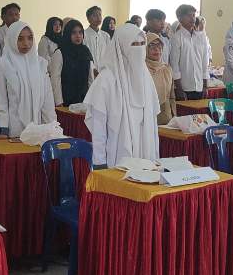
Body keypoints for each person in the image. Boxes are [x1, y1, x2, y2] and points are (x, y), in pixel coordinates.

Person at [84, 24, 161, 167]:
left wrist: (155, 155)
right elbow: (98, 125)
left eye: (142, 44)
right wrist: (99, 161)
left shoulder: (146, 77)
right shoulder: (106, 79)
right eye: (134, 44)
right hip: (118, 153)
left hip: (145, 152)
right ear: (121, 47)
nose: (139, 49)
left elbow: (153, 120)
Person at [0, 21, 56, 138]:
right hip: (13, 132)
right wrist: (2, 131)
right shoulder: (2, 65)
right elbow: (2, 103)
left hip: (37, 130)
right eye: (20, 39)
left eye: (30, 38)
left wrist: (52, 128)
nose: (26, 43)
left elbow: (47, 100)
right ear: (12, 39)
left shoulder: (41, 64)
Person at [50, 19, 95, 106]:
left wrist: (91, 98)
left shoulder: (85, 51)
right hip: (66, 100)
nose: (78, 36)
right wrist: (59, 102)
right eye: (74, 33)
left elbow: (90, 77)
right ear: (67, 34)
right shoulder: (60, 52)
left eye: (80, 32)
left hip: (84, 100)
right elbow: (55, 79)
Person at [169, 4, 209, 100]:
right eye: (188, 15)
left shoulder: (201, 37)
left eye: (194, 15)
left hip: (199, 86)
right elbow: (174, 65)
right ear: (180, 18)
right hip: (184, 88)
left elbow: (204, 62)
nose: (192, 18)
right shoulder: (176, 38)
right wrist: (179, 89)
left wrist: (205, 86)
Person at [145, 32, 176, 124]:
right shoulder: (141, 70)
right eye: (151, 46)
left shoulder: (167, 69)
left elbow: (172, 96)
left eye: (159, 46)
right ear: (144, 48)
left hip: (165, 116)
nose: (156, 49)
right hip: (147, 116)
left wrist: (174, 116)